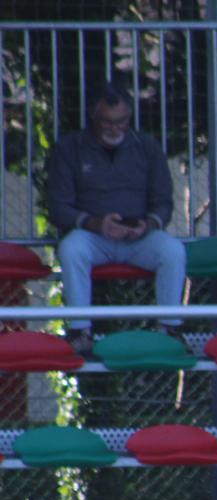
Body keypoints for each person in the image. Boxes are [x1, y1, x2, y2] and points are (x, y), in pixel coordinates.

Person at [46, 80, 186, 356]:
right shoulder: (70, 147)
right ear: (93, 116)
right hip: (93, 235)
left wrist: (149, 224)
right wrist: (95, 223)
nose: (115, 128)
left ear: (129, 117)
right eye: (107, 122)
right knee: (71, 248)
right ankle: (80, 332)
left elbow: (163, 202)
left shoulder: (147, 146)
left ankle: (170, 329)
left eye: (121, 121)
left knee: (173, 250)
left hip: (139, 236)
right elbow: (58, 207)